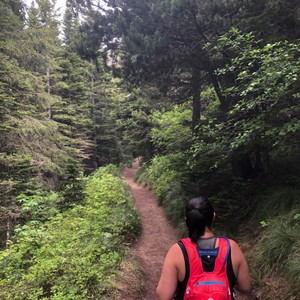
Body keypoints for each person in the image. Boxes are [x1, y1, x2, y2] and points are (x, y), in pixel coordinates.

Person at [156, 196, 252, 300]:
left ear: (187, 219)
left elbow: (164, 295)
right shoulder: (232, 248)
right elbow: (245, 287)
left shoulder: (178, 251)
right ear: (213, 216)